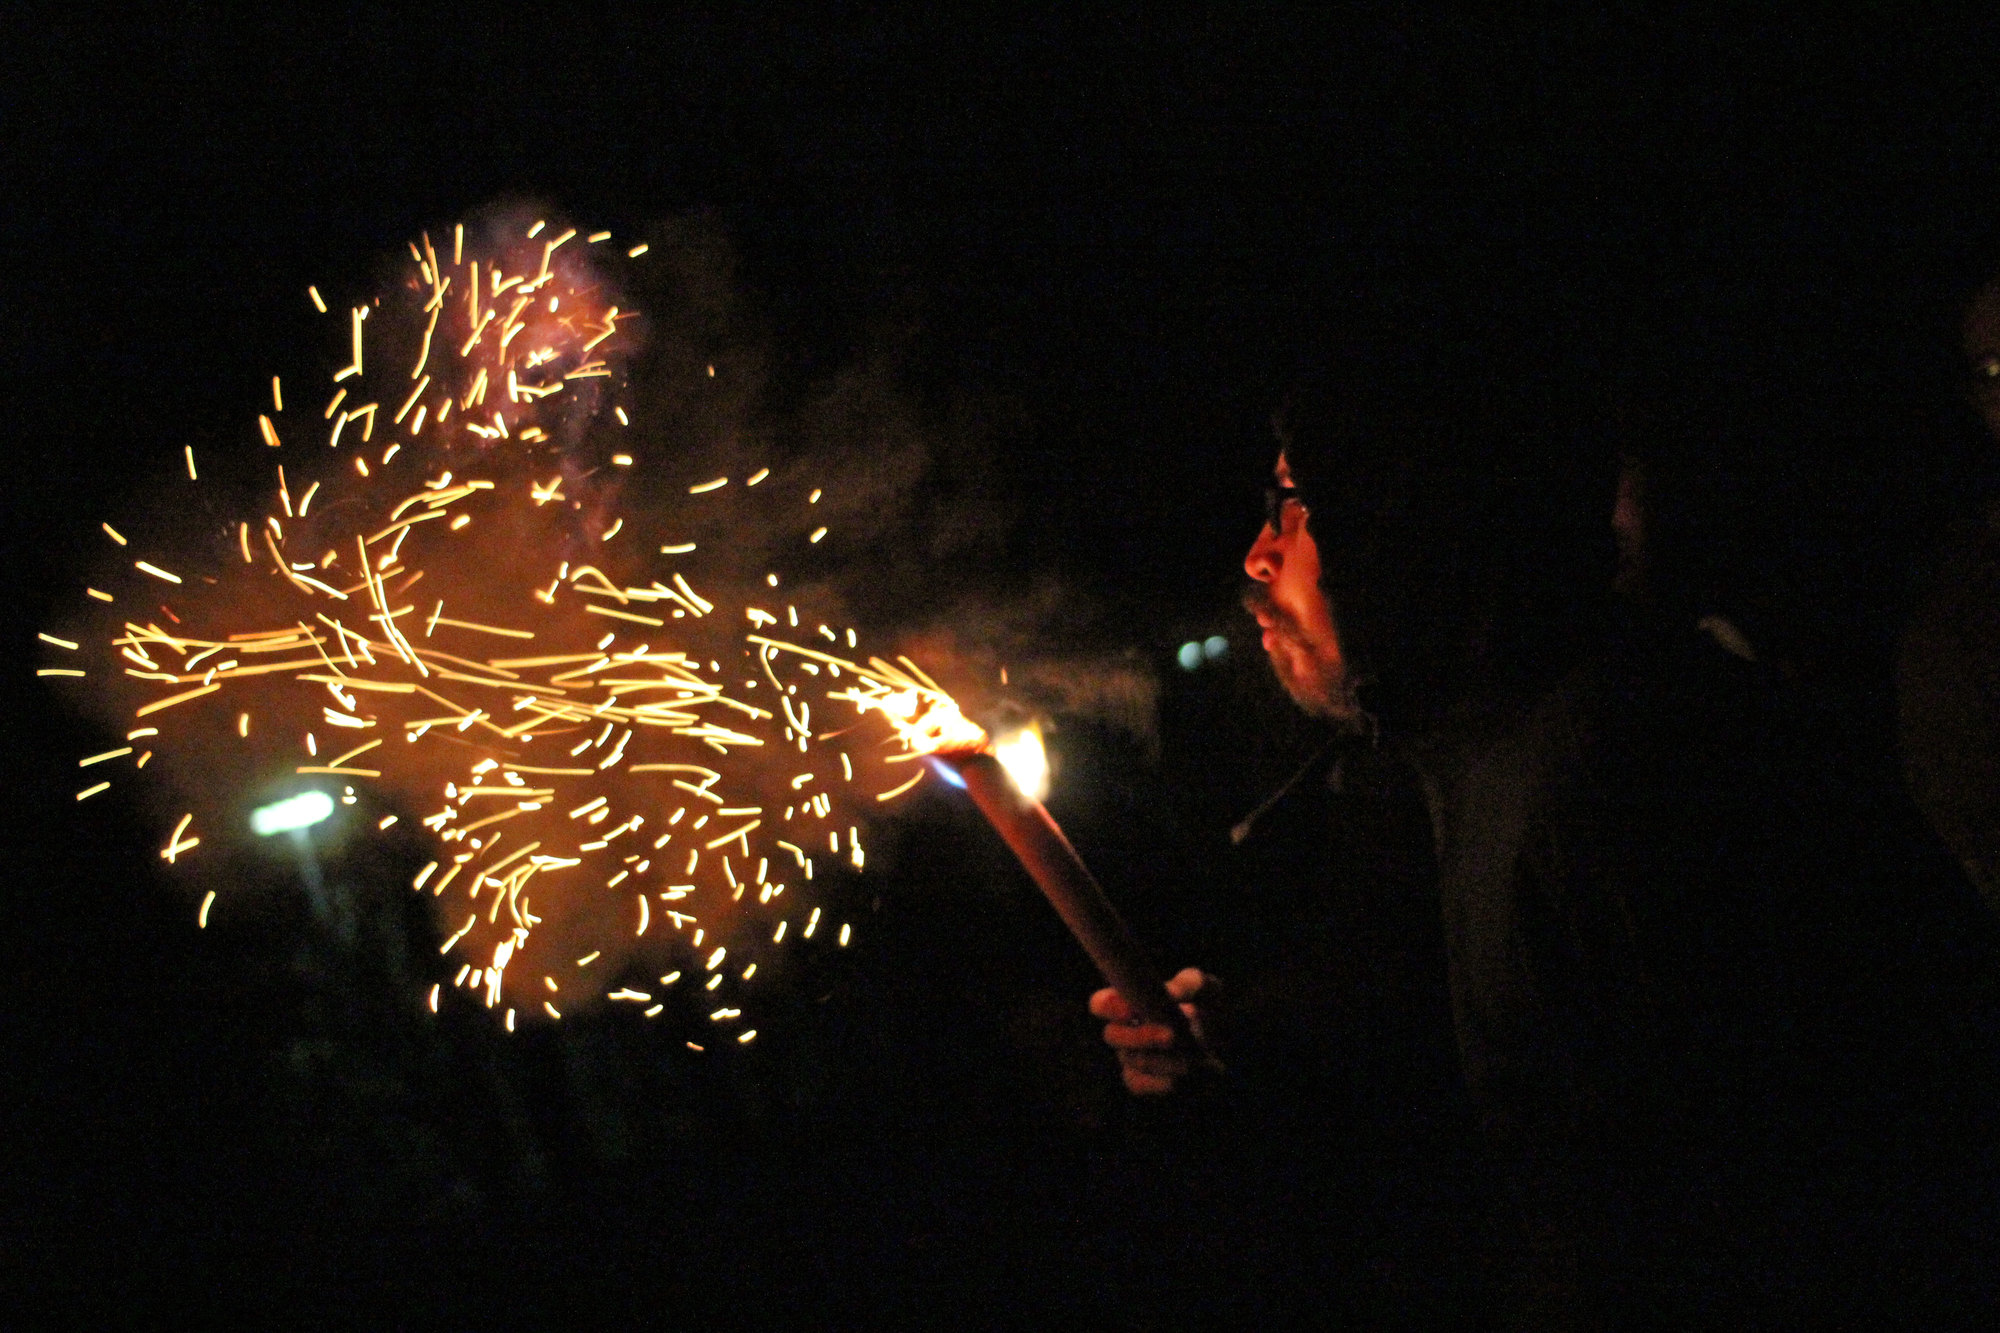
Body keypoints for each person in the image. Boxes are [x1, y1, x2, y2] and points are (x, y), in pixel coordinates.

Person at [1094, 359, 1999, 1325]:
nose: (1257, 558)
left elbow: (1770, 1195)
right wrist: (1261, 1052)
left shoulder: (1618, 781)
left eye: (1296, 506)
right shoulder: (1482, 756)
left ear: (1408, 519)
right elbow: (1512, 1105)